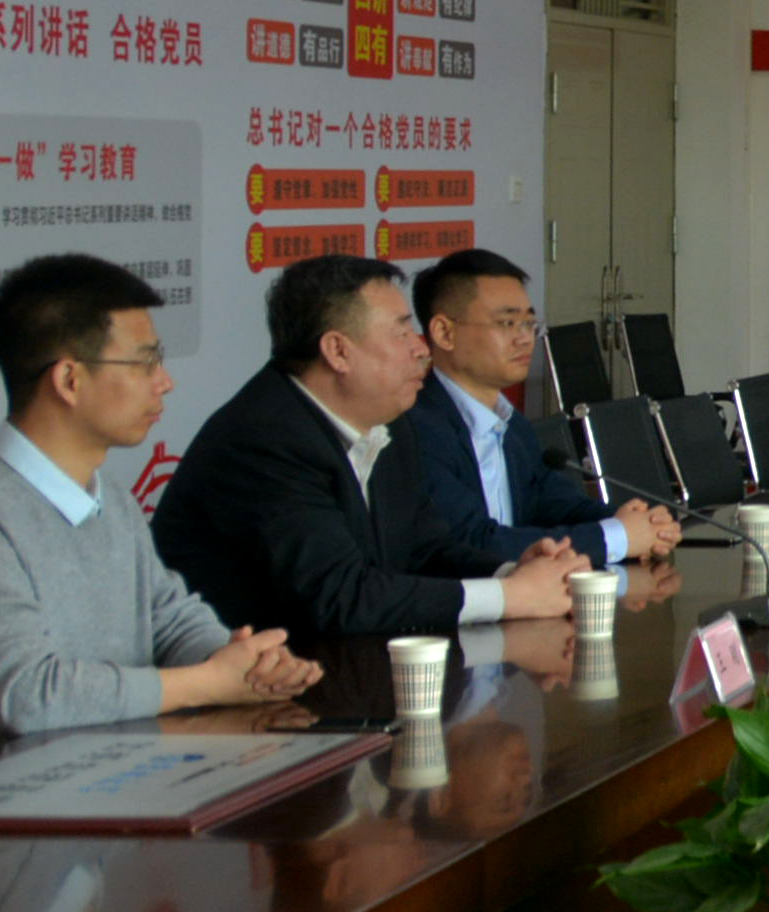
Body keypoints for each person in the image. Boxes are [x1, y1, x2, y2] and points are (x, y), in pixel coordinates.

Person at [0, 253, 319, 784]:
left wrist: (243, 661)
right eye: (145, 363)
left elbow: (167, 618)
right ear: (69, 379)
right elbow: (26, 696)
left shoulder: (108, 496)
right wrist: (208, 683)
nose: (165, 382)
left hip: (106, 786)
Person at [153, 255, 588, 642]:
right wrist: (509, 596)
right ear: (338, 351)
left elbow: (425, 548)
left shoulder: (388, 421)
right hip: (247, 686)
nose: (421, 348)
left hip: (348, 670)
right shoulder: (266, 441)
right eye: (401, 333)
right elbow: (340, 597)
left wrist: (511, 571)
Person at [396, 248, 677, 574]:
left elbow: (556, 504)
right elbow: (472, 543)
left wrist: (636, 523)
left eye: (529, 323)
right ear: (444, 333)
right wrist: (616, 536)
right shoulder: (414, 429)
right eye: (507, 323)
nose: (524, 339)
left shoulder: (512, 425)